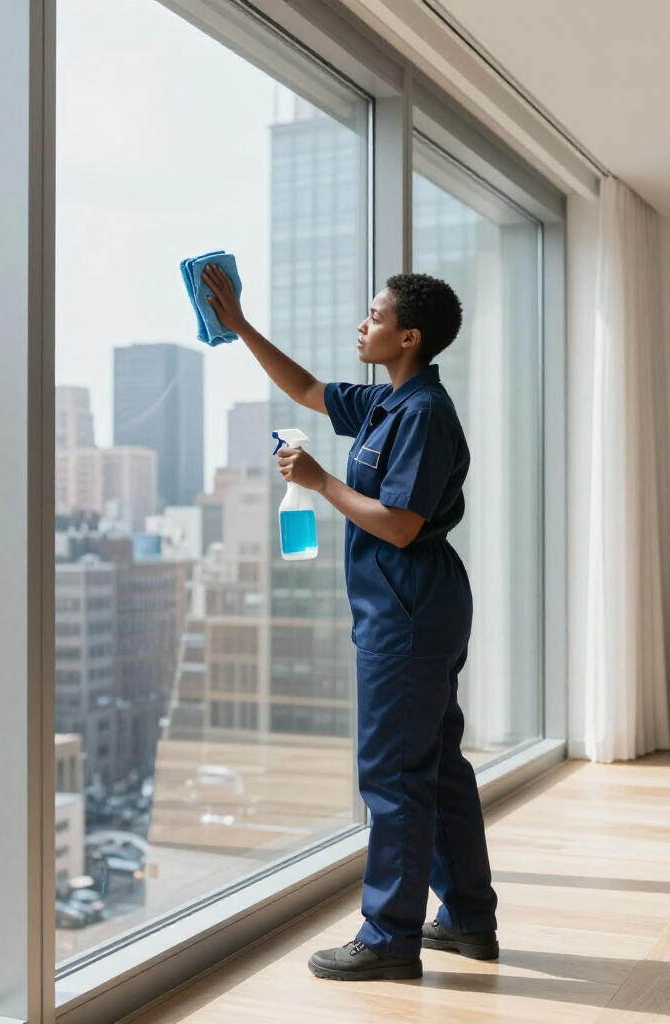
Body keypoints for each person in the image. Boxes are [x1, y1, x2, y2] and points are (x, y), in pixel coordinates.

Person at [202, 264, 499, 982]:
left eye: (373, 316)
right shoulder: (389, 403)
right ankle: (465, 918)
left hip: (409, 608)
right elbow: (305, 390)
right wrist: (238, 325)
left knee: (394, 772)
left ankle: (391, 938)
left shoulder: (424, 414)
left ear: (408, 336)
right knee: (437, 766)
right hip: (409, 606)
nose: (361, 325)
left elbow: (400, 526)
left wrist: (318, 482)